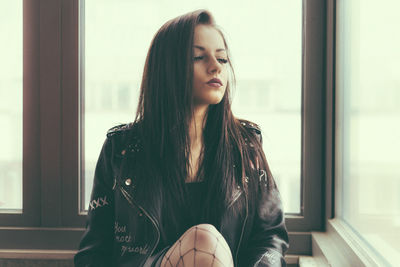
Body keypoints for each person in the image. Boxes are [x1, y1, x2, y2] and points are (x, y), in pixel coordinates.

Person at [74, 9, 289, 267]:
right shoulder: (121, 151)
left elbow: (270, 238)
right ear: (168, 68)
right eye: (199, 57)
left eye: (222, 59)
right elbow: (93, 252)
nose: (215, 67)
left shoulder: (247, 148)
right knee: (204, 240)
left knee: (206, 241)